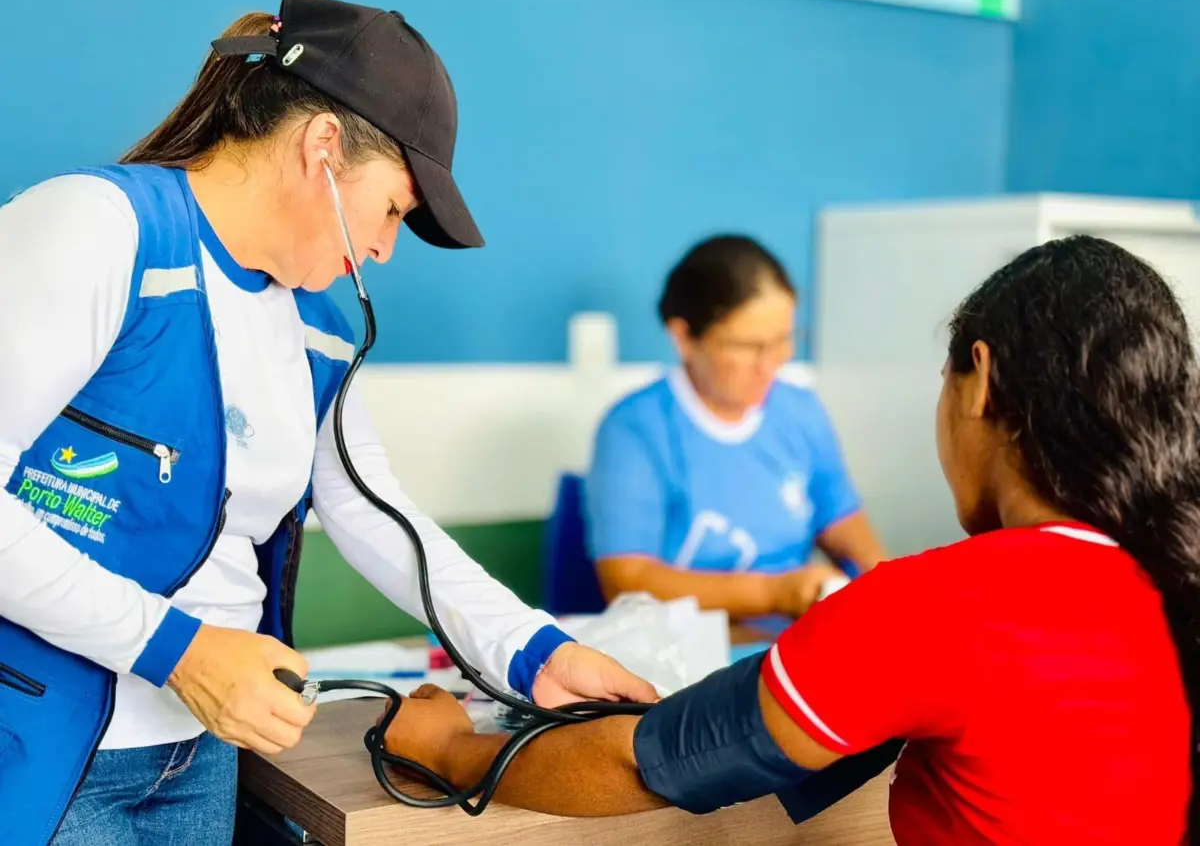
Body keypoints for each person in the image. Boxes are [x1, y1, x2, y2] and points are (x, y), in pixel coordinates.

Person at [0, 0, 655, 846]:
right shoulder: (96, 227)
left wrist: (536, 652)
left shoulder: (319, 332)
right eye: (392, 211)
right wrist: (179, 651)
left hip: (200, 752)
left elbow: (381, 517)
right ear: (322, 147)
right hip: (43, 743)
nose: (384, 249)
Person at [384, 235, 1195, 845]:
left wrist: (453, 753)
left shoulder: (936, 605)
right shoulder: (1162, 578)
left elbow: (652, 761)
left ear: (978, 380)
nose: (770, 365)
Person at [586, 235, 885, 634]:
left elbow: (841, 519)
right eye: (747, 347)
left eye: (782, 340)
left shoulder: (800, 411)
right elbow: (627, 579)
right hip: (687, 644)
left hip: (794, 638)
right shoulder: (635, 430)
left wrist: (888, 586)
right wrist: (773, 594)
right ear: (684, 337)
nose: (769, 365)